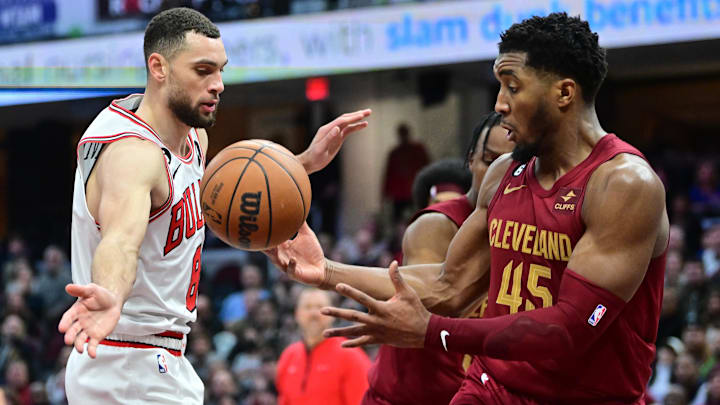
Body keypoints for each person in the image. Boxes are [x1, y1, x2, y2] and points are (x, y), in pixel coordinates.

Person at [268, 12, 668, 404]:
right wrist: (326, 272)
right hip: (491, 389)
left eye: (513, 87)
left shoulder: (624, 185)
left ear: (564, 93)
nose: (500, 104)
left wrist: (435, 332)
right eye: (499, 86)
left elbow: (571, 330)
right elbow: (449, 287)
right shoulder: (503, 174)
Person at [57, 7, 370, 405]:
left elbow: (212, 204)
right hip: (124, 357)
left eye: (221, 70)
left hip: (157, 358)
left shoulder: (192, 142)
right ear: (159, 68)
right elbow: (121, 240)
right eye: (203, 71)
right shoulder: (132, 154)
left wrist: (300, 166)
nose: (219, 84)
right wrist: (110, 293)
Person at [363, 112, 514, 405]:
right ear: (472, 161)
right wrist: (328, 272)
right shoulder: (434, 226)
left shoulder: (531, 230)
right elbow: (435, 297)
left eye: (509, 163)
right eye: (489, 160)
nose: (499, 173)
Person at [275, 288, 370, 405]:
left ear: (333, 314)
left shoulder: (351, 356)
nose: (314, 313)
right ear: (297, 314)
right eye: (307, 307)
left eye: (320, 307)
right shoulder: (288, 356)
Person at [382, 123, 431, 220]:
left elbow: (427, 169)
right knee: (399, 220)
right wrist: (385, 194)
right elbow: (389, 175)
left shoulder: (418, 149)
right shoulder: (395, 153)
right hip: (400, 194)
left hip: (415, 191)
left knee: (418, 217)